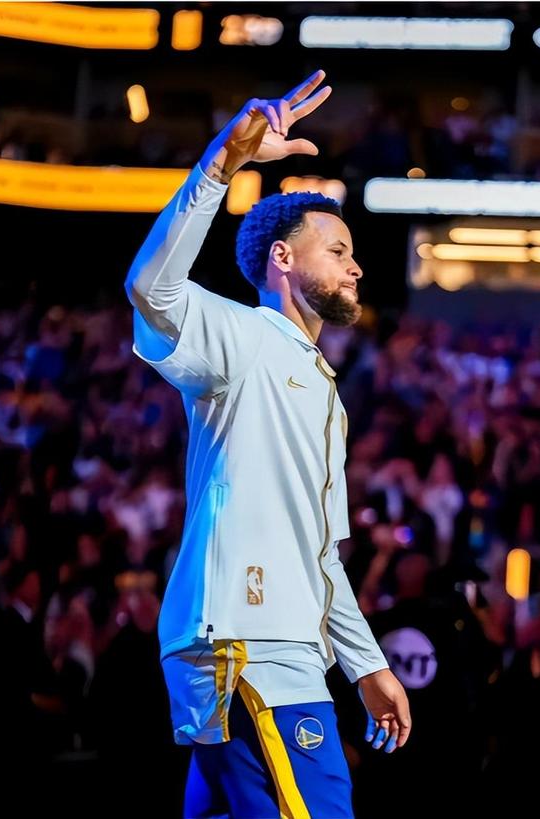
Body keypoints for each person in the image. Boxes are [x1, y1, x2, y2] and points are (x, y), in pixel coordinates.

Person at [125, 70, 411, 818]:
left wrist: (368, 665)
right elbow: (152, 289)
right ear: (282, 259)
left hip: (273, 646)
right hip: (250, 647)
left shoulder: (322, 386)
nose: (356, 264)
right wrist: (220, 167)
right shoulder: (246, 336)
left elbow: (321, 555)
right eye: (337, 249)